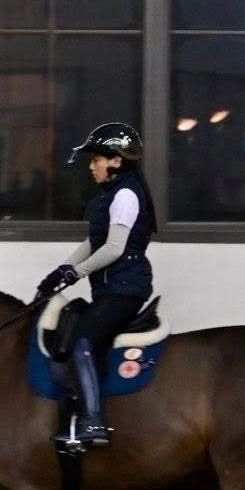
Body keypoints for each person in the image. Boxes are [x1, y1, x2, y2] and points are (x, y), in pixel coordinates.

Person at [34, 122, 156, 448]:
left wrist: (76, 274)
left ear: (116, 161)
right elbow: (93, 242)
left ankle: (92, 422)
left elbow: (114, 248)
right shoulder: (110, 196)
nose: (92, 166)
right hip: (110, 288)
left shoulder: (127, 194)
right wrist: (61, 271)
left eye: (96, 160)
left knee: (82, 341)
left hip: (126, 288)